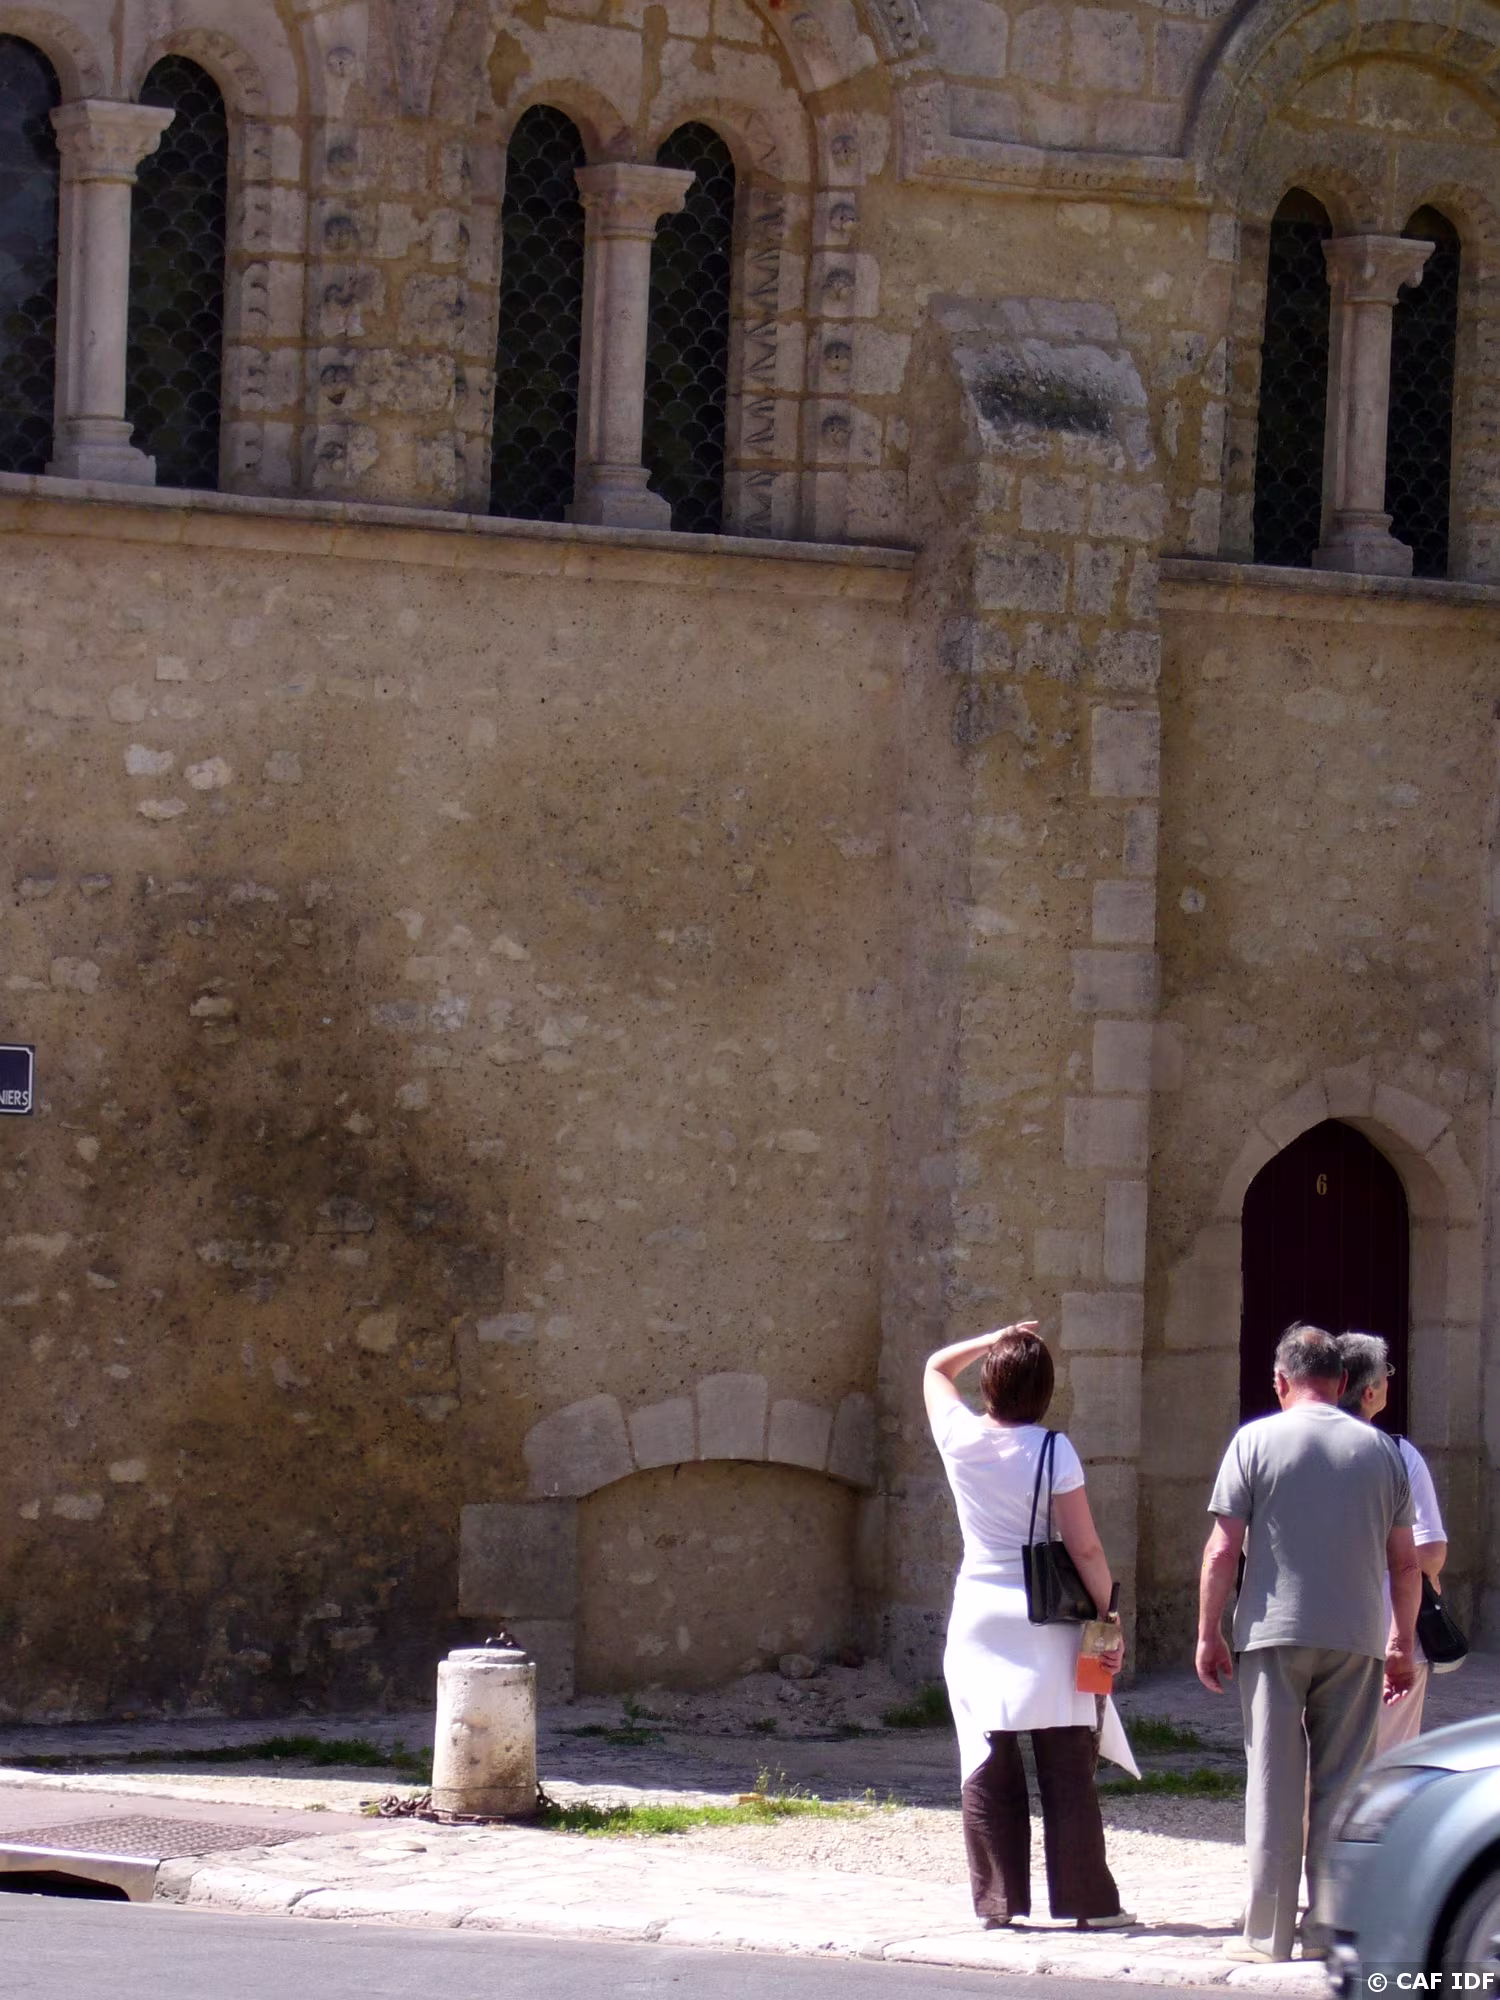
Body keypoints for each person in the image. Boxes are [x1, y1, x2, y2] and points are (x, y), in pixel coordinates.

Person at [1197, 1322, 1421, 1964]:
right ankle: (1328, 1928)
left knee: (1272, 1782)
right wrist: (1402, 1642)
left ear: (1280, 1380)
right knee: (1343, 1783)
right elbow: (1406, 1563)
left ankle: (1266, 1935)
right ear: (1344, 1380)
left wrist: (1208, 1631)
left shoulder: (1254, 1441)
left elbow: (1222, 1550)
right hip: (1356, 1637)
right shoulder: (1383, 1452)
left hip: (1272, 1633)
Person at [925, 1321, 1136, 1932]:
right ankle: (1088, 1903)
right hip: (1047, 1616)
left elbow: (936, 1368)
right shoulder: (1053, 1450)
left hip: (979, 1613)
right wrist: (1110, 1617)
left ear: (989, 1383)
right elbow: (1085, 1547)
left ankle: (997, 1903)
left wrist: (992, 1337)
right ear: (1044, 1391)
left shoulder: (958, 1437)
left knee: (986, 1758)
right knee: (1067, 1763)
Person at [1337, 1331, 1449, 1749]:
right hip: (1388, 1632)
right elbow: (1430, 1553)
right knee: (1390, 1763)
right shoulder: (1399, 1455)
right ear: (1369, 1393)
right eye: (1386, 1375)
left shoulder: (1280, 1448)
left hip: (1309, 1636)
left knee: (1310, 1767)